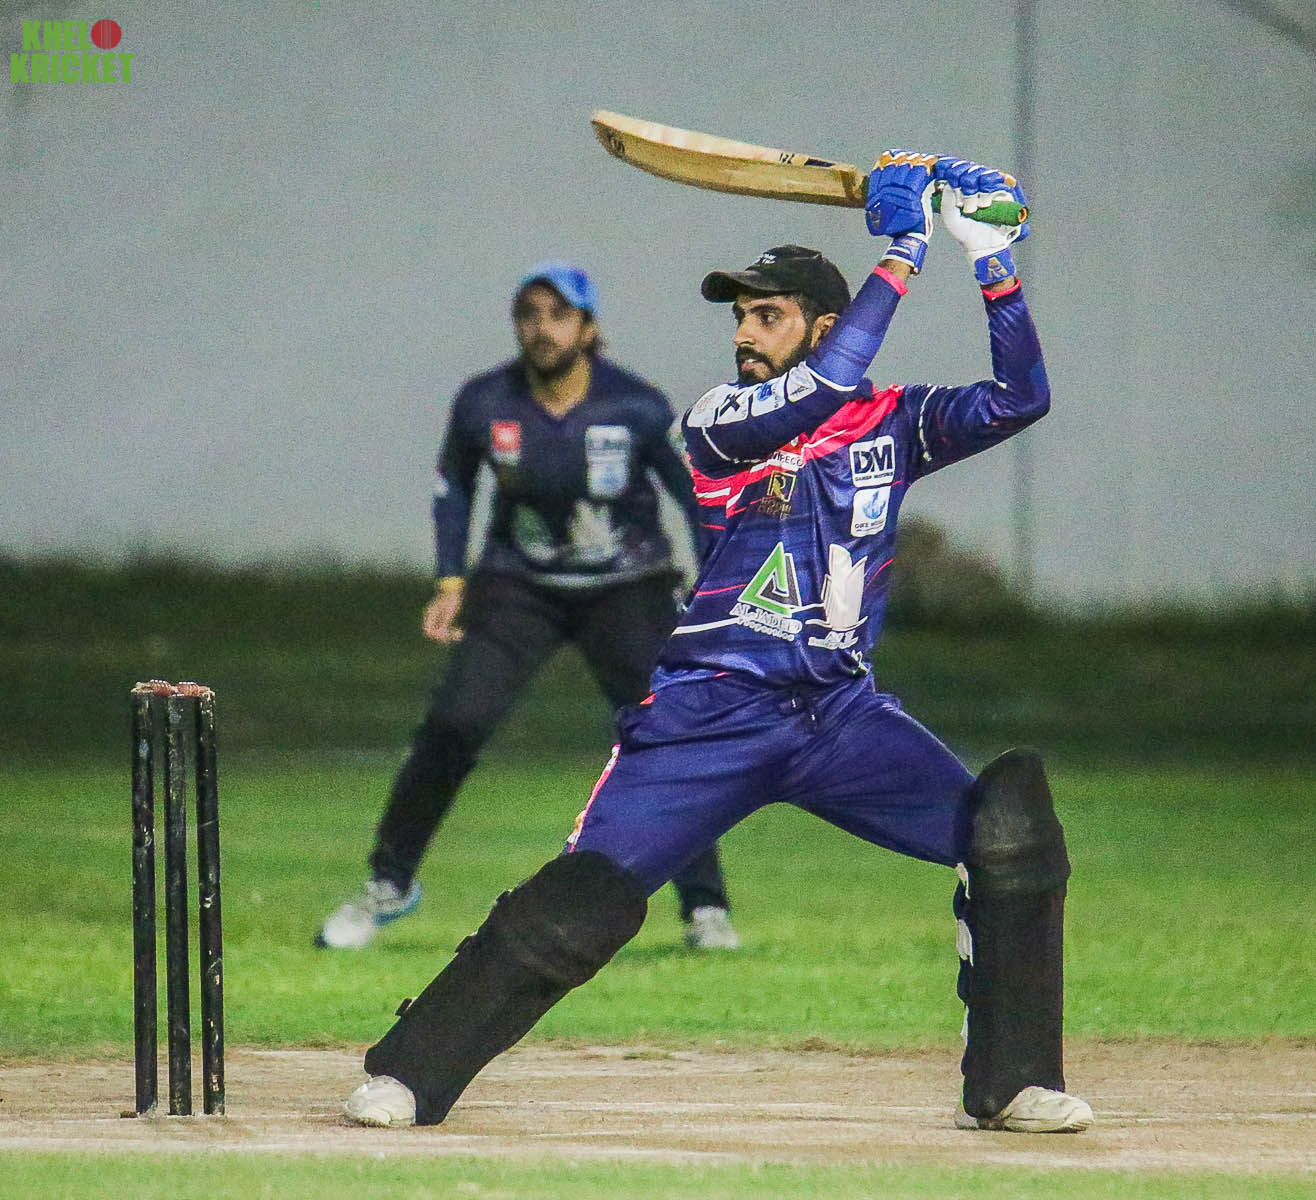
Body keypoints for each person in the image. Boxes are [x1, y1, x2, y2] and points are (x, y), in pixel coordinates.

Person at [340, 152, 1093, 1134]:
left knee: (1006, 828)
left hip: (838, 717)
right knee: (585, 899)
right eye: (738, 315)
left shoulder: (894, 422)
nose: (742, 333)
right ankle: (409, 1073)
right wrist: (905, 250)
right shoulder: (717, 421)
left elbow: (1019, 398)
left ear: (822, 323)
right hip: (707, 712)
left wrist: (989, 260)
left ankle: (1009, 1083)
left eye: (765, 315)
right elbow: (822, 389)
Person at [315, 261, 739, 952]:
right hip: (520, 587)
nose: (542, 329)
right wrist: (450, 583)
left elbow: (696, 495)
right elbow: (454, 487)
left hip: (628, 585)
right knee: (453, 723)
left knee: (669, 733)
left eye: (558, 315)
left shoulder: (635, 406)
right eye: (529, 315)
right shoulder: (486, 401)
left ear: (589, 328)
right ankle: (386, 884)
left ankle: (705, 907)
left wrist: (715, 583)